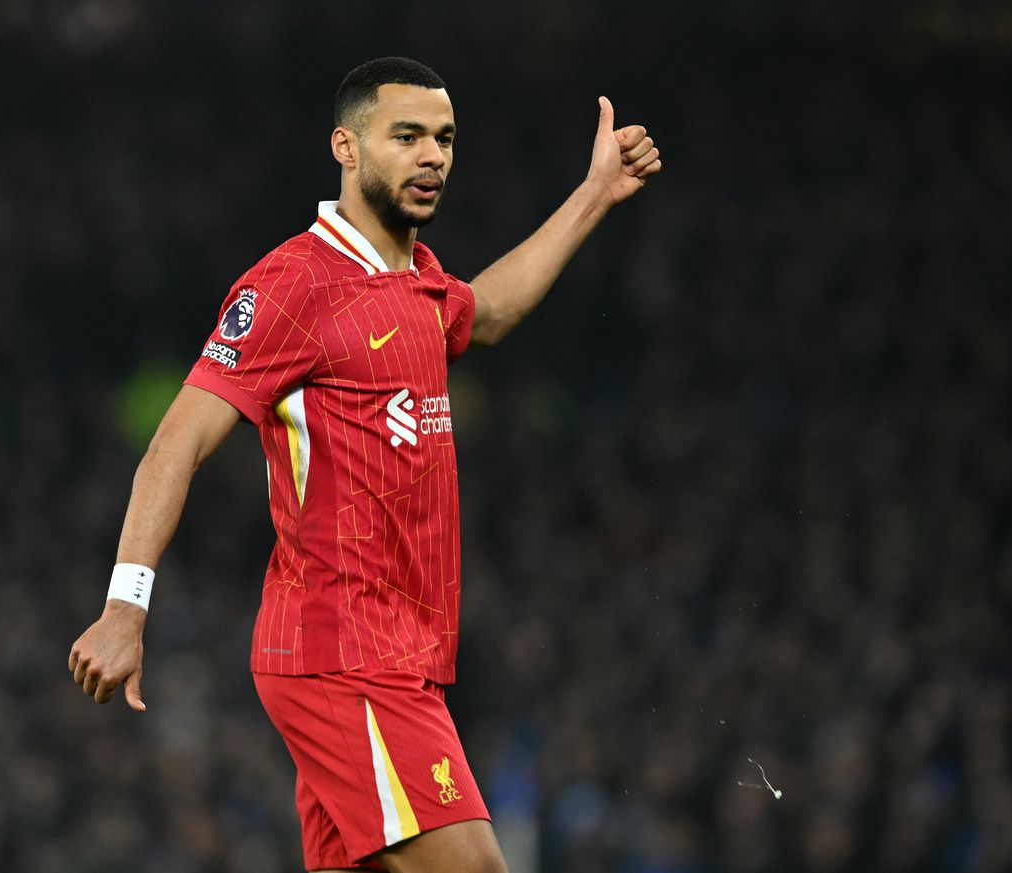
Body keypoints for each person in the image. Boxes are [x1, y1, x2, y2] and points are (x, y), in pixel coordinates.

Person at [68, 56, 661, 873]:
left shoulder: (419, 281)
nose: (432, 156)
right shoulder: (293, 284)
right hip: (345, 654)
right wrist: (124, 607)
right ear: (346, 147)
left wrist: (594, 193)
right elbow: (176, 441)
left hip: (400, 655)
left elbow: (488, 312)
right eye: (406, 136)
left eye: (445, 139)